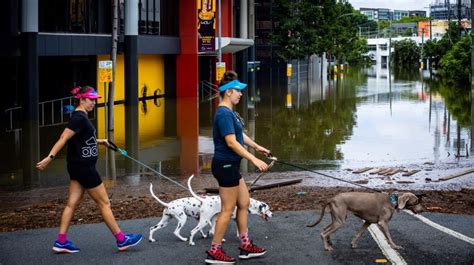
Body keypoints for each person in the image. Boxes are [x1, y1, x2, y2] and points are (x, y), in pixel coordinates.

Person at [36, 86, 142, 253]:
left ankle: (61, 241)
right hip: (85, 168)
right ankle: (122, 240)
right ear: (82, 100)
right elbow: (64, 138)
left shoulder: (80, 117)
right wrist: (50, 158)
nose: (94, 103)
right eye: (91, 100)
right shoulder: (78, 117)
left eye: (95, 100)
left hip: (77, 167)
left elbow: (80, 138)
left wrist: (99, 141)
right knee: (104, 203)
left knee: (71, 204)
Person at [205, 74, 271, 264]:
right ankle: (214, 252)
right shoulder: (224, 113)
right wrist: (253, 159)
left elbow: (240, 135)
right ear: (228, 92)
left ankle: (245, 246)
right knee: (227, 210)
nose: (241, 94)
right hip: (225, 165)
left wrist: (257, 147)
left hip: (230, 165)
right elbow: (231, 142)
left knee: (244, 202)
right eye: (238, 91)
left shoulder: (230, 112)